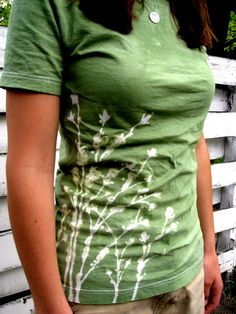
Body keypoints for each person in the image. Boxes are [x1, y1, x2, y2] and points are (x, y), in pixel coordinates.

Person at [0, 0, 223, 313]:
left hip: (187, 274)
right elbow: (29, 166)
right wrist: (50, 305)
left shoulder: (186, 7)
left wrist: (208, 251)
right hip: (101, 288)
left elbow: (193, 141)